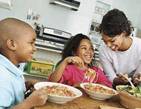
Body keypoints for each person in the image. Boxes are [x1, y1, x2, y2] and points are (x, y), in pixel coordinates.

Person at [0, 18, 48, 109]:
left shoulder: (15, 66)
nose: (35, 49)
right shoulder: (2, 77)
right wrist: (28, 103)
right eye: (31, 43)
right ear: (12, 44)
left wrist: (24, 87)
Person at [97, 9, 141, 87]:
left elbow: (137, 78)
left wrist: (137, 79)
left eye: (112, 41)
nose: (108, 45)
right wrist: (119, 80)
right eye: (105, 41)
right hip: (113, 89)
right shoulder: (103, 50)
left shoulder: (139, 47)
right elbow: (110, 77)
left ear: (123, 33)